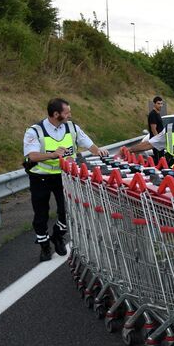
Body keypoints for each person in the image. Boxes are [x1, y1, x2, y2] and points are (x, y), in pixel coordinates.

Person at [23, 98, 109, 262]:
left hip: (64, 176)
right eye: (67, 112)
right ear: (56, 114)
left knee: (67, 210)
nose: (70, 115)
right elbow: (32, 155)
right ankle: (44, 246)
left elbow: (88, 143)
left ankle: (58, 236)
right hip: (40, 177)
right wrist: (53, 154)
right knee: (41, 214)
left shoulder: (72, 127)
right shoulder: (34, 131)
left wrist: (98, 151)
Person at [147, 96, 164, 164]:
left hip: (160, 140)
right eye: (158, 103)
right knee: (158, 160)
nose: (160, 105)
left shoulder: (158, 114)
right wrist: (158, 140)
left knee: (162, 159)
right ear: (154, 104)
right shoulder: (153, 114)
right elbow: (153, 129)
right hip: (156, 141)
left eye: (161, 103)